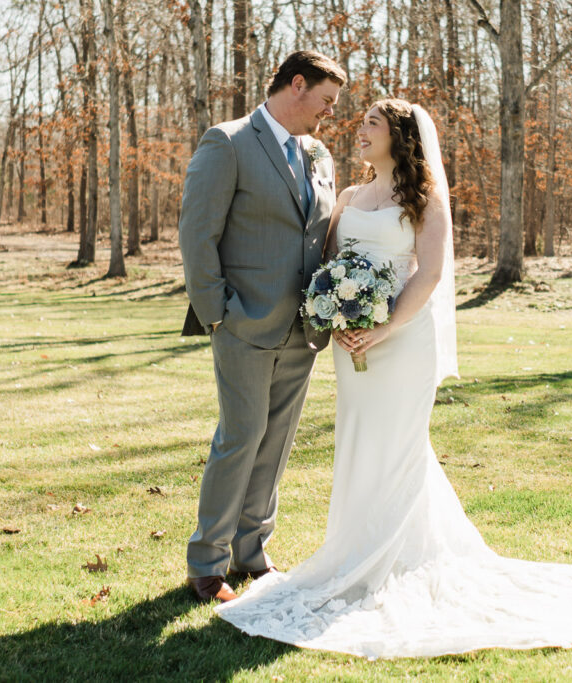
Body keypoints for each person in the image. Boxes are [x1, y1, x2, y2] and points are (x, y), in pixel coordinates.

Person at [215, 99, 572, 658]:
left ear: (399, 136)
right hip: (351, 344)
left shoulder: (424, 200)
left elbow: (431, 274)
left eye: (371, 123)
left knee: (399, 448)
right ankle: (352, 553)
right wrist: (335, 313)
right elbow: (329, 265)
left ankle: (397, 559)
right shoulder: (346, 198)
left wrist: (382, 327)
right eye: (361, 122)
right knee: (359, 443)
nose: (358, 131)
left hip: (402, 342)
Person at [178, 51, 347, 603]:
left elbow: (319, 235)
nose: (329, 115)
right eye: (325, 102)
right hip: (242, 323)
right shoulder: (227, 143)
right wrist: (217, 313)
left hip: (303, 329)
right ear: (296, 86)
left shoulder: (319, 155)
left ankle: (251, 552)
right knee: (240, 438)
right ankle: (207, 563)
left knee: (274, 443)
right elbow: (197, 233)